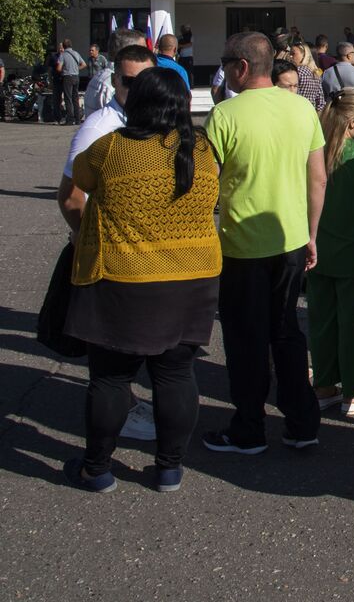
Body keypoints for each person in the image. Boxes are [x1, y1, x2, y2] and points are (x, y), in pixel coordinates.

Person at [62, 67, 221, 493]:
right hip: (195, 277)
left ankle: (96, 468)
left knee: (111, 377)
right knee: (176, 374)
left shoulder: (111, 148)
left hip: (127, 278)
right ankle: (169, 468)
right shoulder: (202, 150)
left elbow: (78, 183)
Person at [201, 32, 325, 455]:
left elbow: (205, 185)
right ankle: (302, 422)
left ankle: (249, 427)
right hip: (291, 240)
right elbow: (317, 177)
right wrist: (311, 234)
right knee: (287, 331)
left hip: (241, 245)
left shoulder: (224, 115)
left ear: (239, 67)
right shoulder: (302, 108)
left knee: (245, 338)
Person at [57, 37, 159, 442]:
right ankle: (113, 429)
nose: (134, 90)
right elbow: (70, 198)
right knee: (112, 356)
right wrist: (93, 243)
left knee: (143, 345)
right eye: (127, 82)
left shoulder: (155, 120)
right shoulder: (101, 126)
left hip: (149, 258)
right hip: (110, 259)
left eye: (144, 81)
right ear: (114, 82)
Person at [307, 88, 354, 416]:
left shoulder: (311, 152)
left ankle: (323, 384)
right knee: (352, 325)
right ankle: (352, 390)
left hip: (315, 247)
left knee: (321, 319)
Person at [55, 38, 86, 124]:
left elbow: (58, 68)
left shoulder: (63, 55)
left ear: (64, 46)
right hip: (76, 77)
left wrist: (65, 70)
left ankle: (70, 119)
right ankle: (78, 119)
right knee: (75, 98)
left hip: (67, 77)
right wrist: (76, 69)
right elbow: (83, 64)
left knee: (68, 98)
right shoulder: (76, 53)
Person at [290, 41, 326, 112]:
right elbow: (321, 102)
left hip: (297, 112)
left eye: (293, 53)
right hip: (312, 114)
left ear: (304, 55)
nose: (290, 56)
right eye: (290, 53)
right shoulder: (316, 72)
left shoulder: (297, 72)